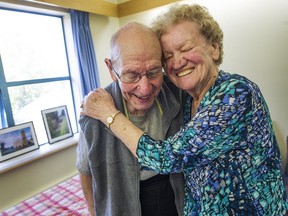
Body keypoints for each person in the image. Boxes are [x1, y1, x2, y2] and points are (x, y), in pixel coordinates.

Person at [81, 3, 288, 216]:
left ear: (214, 48)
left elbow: (166, 158)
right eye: (168, 56)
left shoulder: (236, 93)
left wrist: (109, 114)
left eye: (186, 48)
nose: (177, 62)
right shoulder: (187, 99)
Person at [76, 22, 185, 216]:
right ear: (111, 69)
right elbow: (85, 170)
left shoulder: (178, 94)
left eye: (153, 72)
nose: (145, 88)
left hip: (173, 192)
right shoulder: (93, 112)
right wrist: (93, 212)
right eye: (132, 75)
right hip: (125, 202)